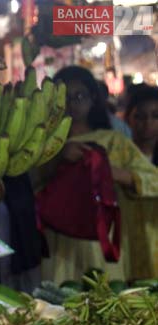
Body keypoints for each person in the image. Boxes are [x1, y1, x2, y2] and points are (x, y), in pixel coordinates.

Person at [35, 66, 158, 283]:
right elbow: (31, 186)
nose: (72, 103)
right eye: (65, 97)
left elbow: (153, 180)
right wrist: (58, 158)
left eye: (79, 96)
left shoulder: (113, 141)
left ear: (92, 98)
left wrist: (118, 175)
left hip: (103, 237)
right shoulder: (42, 145)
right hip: (60, 241)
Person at [125, 85, 158, 166]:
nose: (148, 122)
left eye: (156, 116)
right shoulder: (117, 155)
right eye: (140, 116)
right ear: (128, 118)